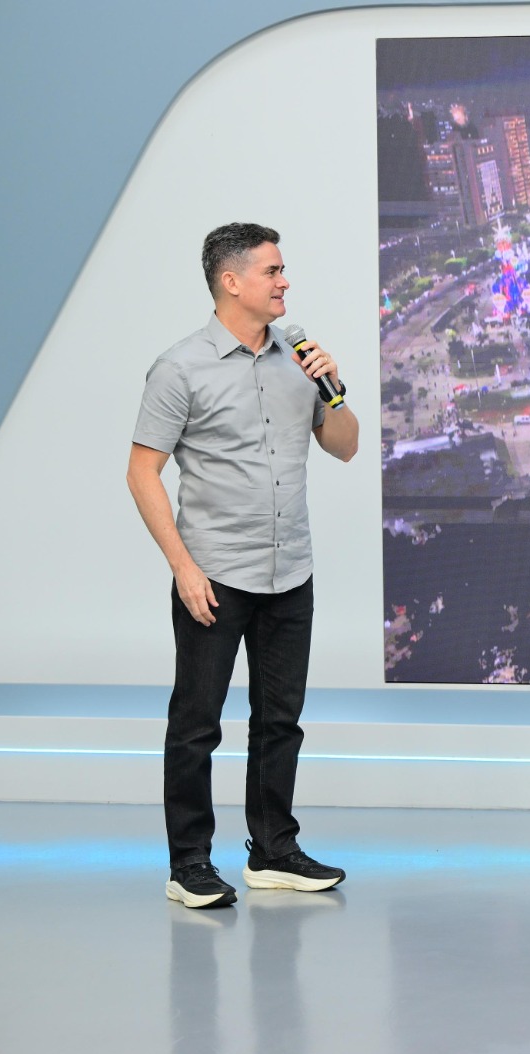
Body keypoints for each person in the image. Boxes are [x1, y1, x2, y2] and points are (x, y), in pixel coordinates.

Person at [127, 223, 360, 908]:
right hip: (216, 575)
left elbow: (345, 446)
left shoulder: (299, 358)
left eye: (282, 270)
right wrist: (183, 567)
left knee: (280, 720)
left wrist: (333, 390)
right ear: (231, 282)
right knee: (197, 723)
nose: (285, 282)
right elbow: (142, 472)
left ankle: (274, 851)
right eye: (272, 271)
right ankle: (189, 865)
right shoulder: (179, 368)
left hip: (291, 571)